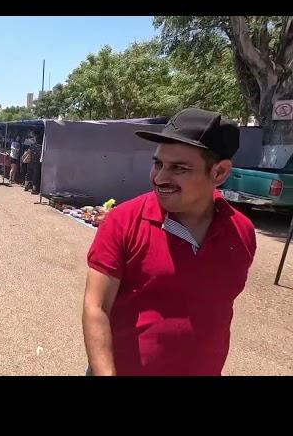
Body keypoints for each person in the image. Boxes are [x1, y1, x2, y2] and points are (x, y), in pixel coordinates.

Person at [82, 108, 256, 376]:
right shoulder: (124, 221)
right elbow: (96, 308)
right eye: (158, 164)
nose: (160, 178)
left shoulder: (241, 232)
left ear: (219, 173)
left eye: (179, 169)